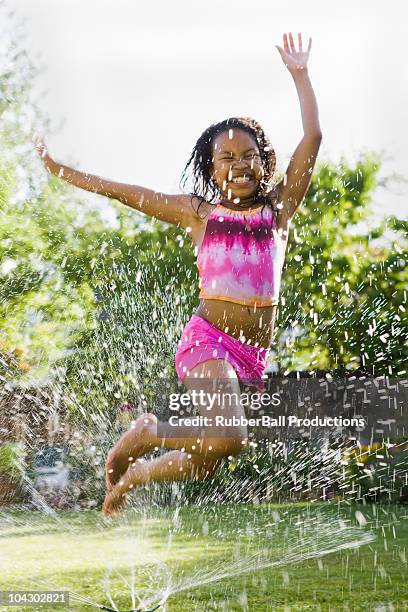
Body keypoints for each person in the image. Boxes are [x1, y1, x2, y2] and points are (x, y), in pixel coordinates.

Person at [35, 32, 322, 516]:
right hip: (208, 341)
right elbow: (127, 192)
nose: (239, 164)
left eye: (249, 154)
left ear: (264, 161)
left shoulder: (278, 210)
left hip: (250, 355)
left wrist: (300, 75)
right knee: (230, 436)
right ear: (212, 172)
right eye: (226, 158)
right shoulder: (200, 215)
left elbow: (313, 137)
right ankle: (146, 434)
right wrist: (63, 171)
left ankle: (137, 475)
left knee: (211, 456)